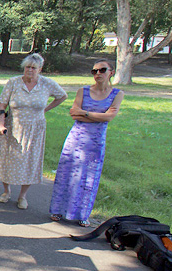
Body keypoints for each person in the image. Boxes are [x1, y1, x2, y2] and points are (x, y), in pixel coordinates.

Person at [49, 59, 124, 227]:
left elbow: (110, 117)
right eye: (94, 71)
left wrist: (85, 113)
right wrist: (96, 115)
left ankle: (82, 214)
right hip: (76, 138)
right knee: (66, 173)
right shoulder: (82, 91)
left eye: (102, 70)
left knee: (89, 177)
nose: (98, 74)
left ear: (111, 72)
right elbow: (75, 115)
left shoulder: (117, 94)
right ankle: (57, 209)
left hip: (96, 142)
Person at [0, 53, 67, 210]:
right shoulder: (13, 83)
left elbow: (62, 96)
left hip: (35, 128)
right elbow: (1, 106)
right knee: (7, 159)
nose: (30, 70)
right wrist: (0, 125)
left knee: (29, 161)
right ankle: (6, 191)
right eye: (27, 67)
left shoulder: (47, 84)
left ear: (40, 69)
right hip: (12, 126)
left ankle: (23, 196)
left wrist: (45, 109)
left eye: (34, 68)